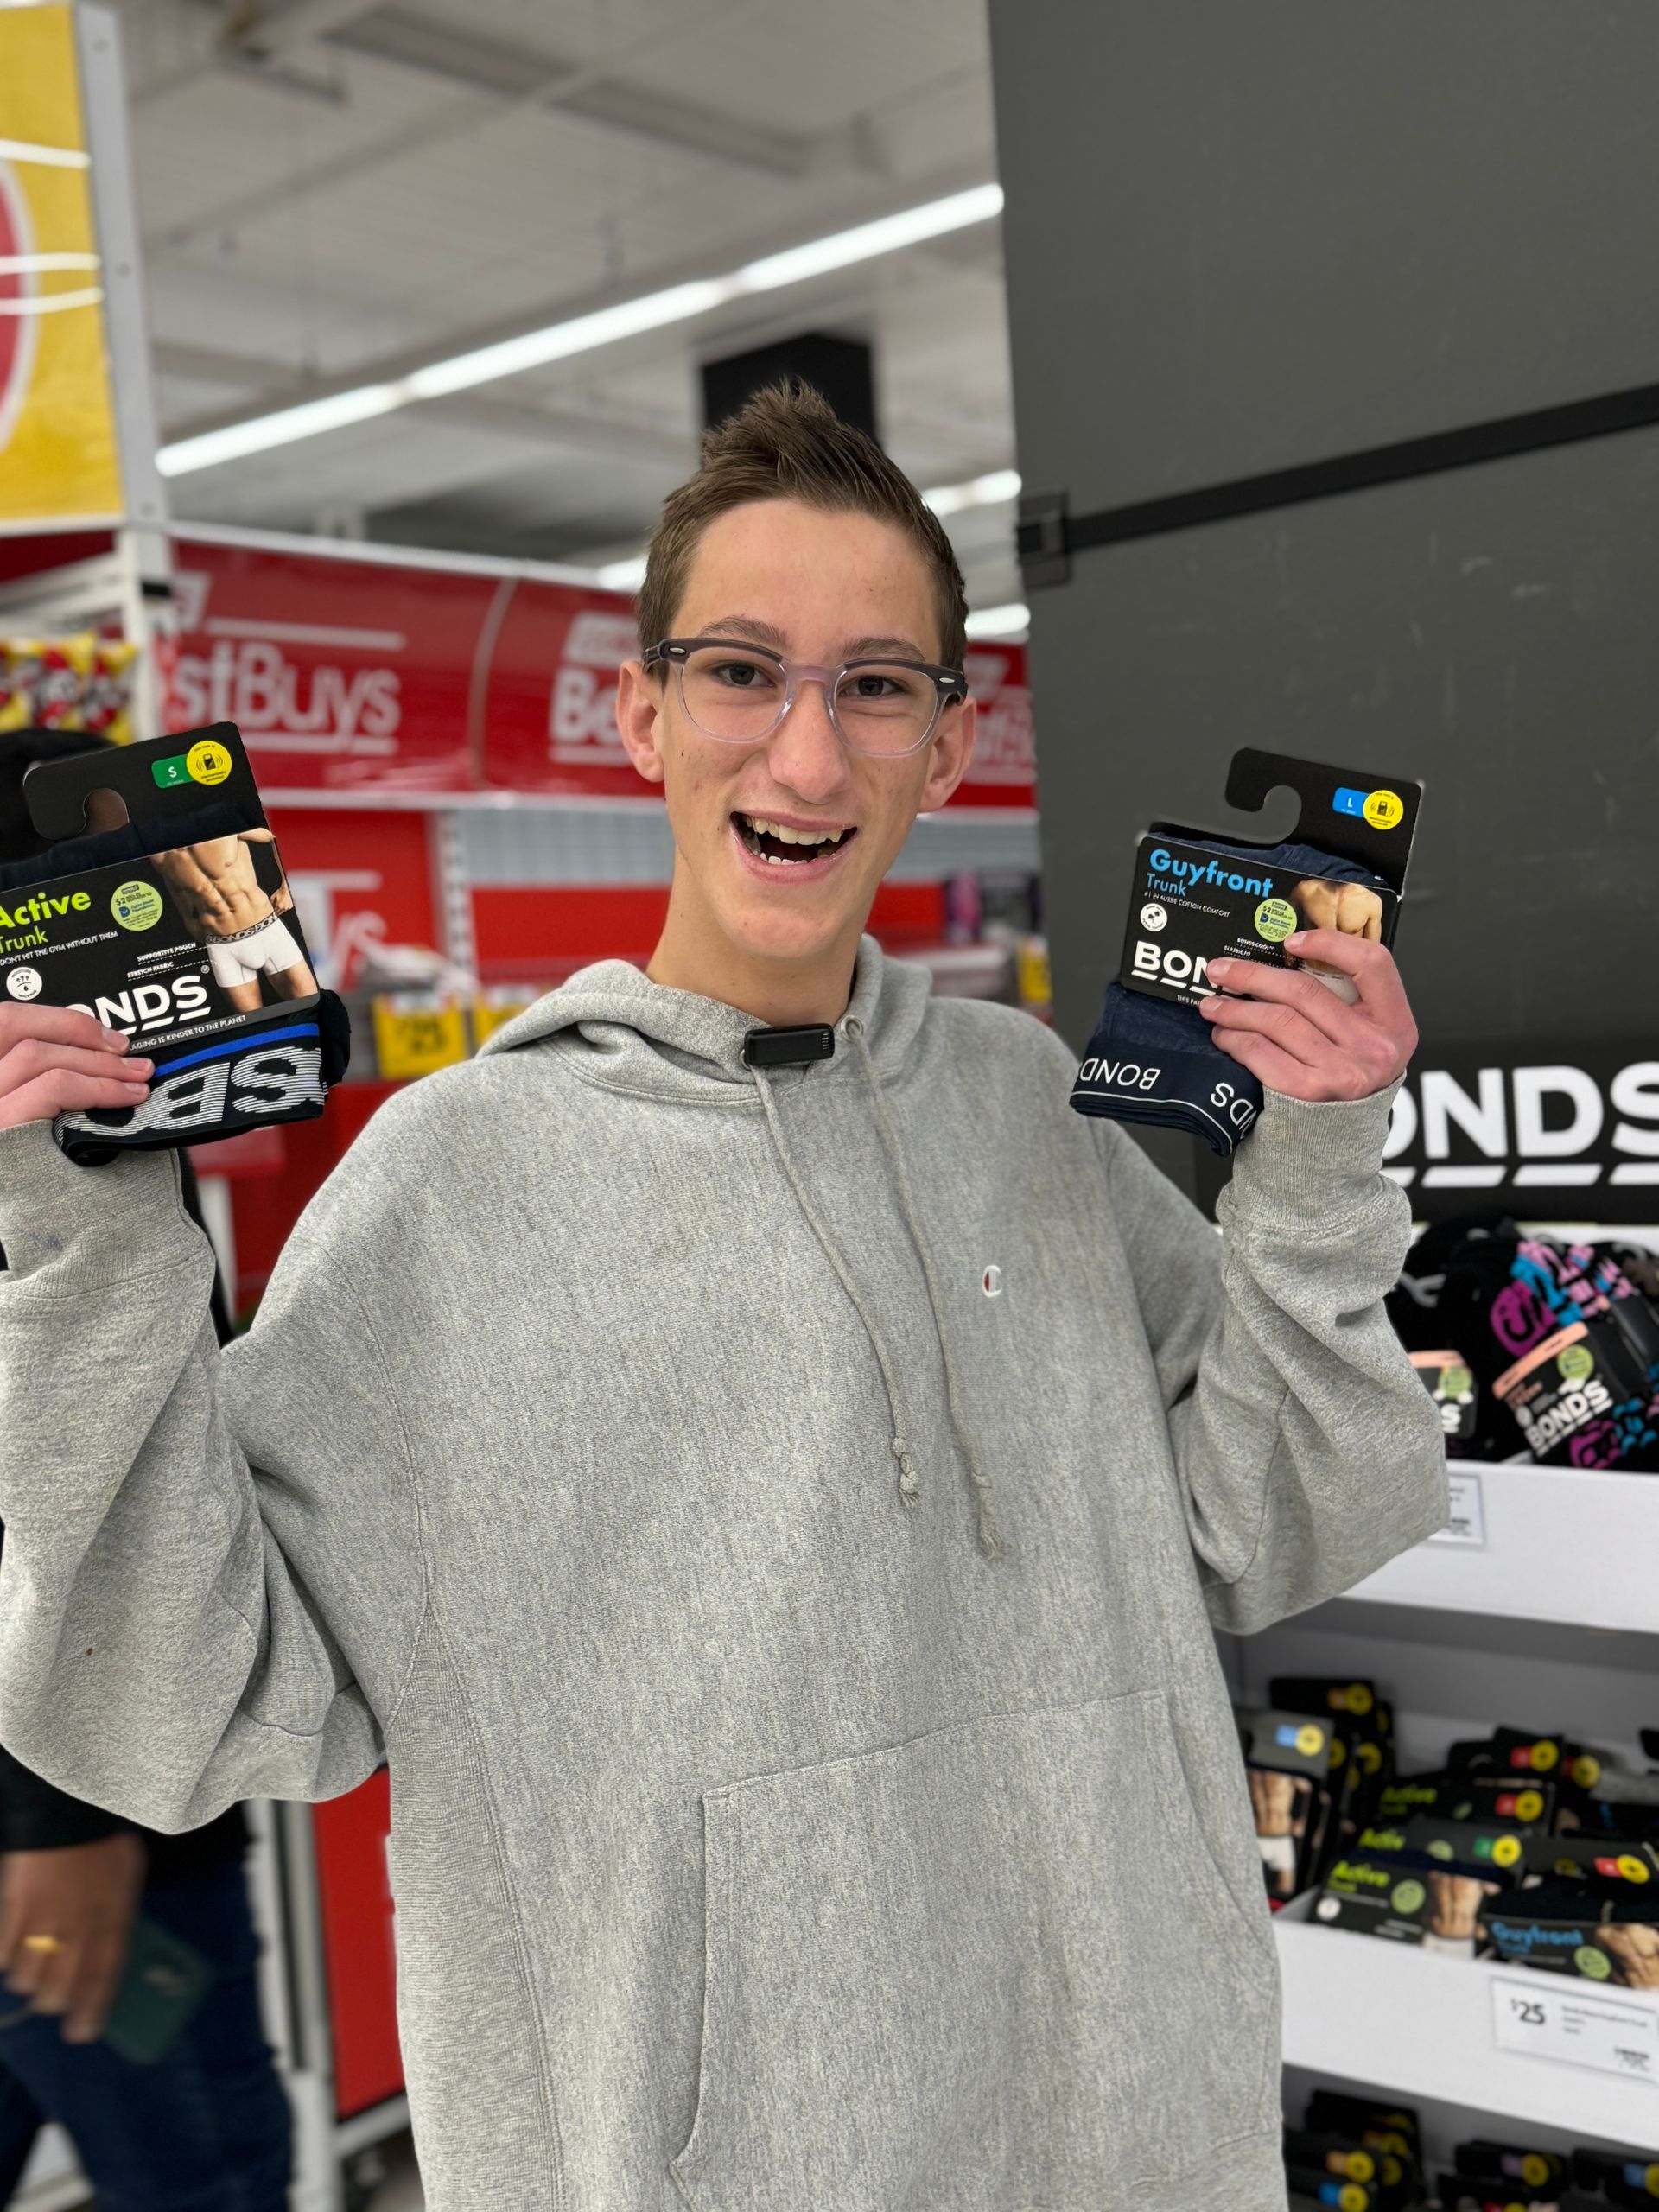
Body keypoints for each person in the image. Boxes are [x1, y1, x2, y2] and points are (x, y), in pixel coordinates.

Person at [0, 385, 1446, 2212]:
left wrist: (1316, 1155)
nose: (809, 756)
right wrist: (90, 1236)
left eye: (875, 684)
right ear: (644, 713)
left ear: (946, 736)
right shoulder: (449, 1190)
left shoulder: (1029, 1109)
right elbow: (180, 1705)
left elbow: (1279, 1515)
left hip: (1141, 2133)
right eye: (745, 670)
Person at [0, 729, 291, 2212]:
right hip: (85, 1833)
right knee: (209, 2179)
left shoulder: (87, 1145)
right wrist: (69, 1824)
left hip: (97, 1801)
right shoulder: (50, 1154)